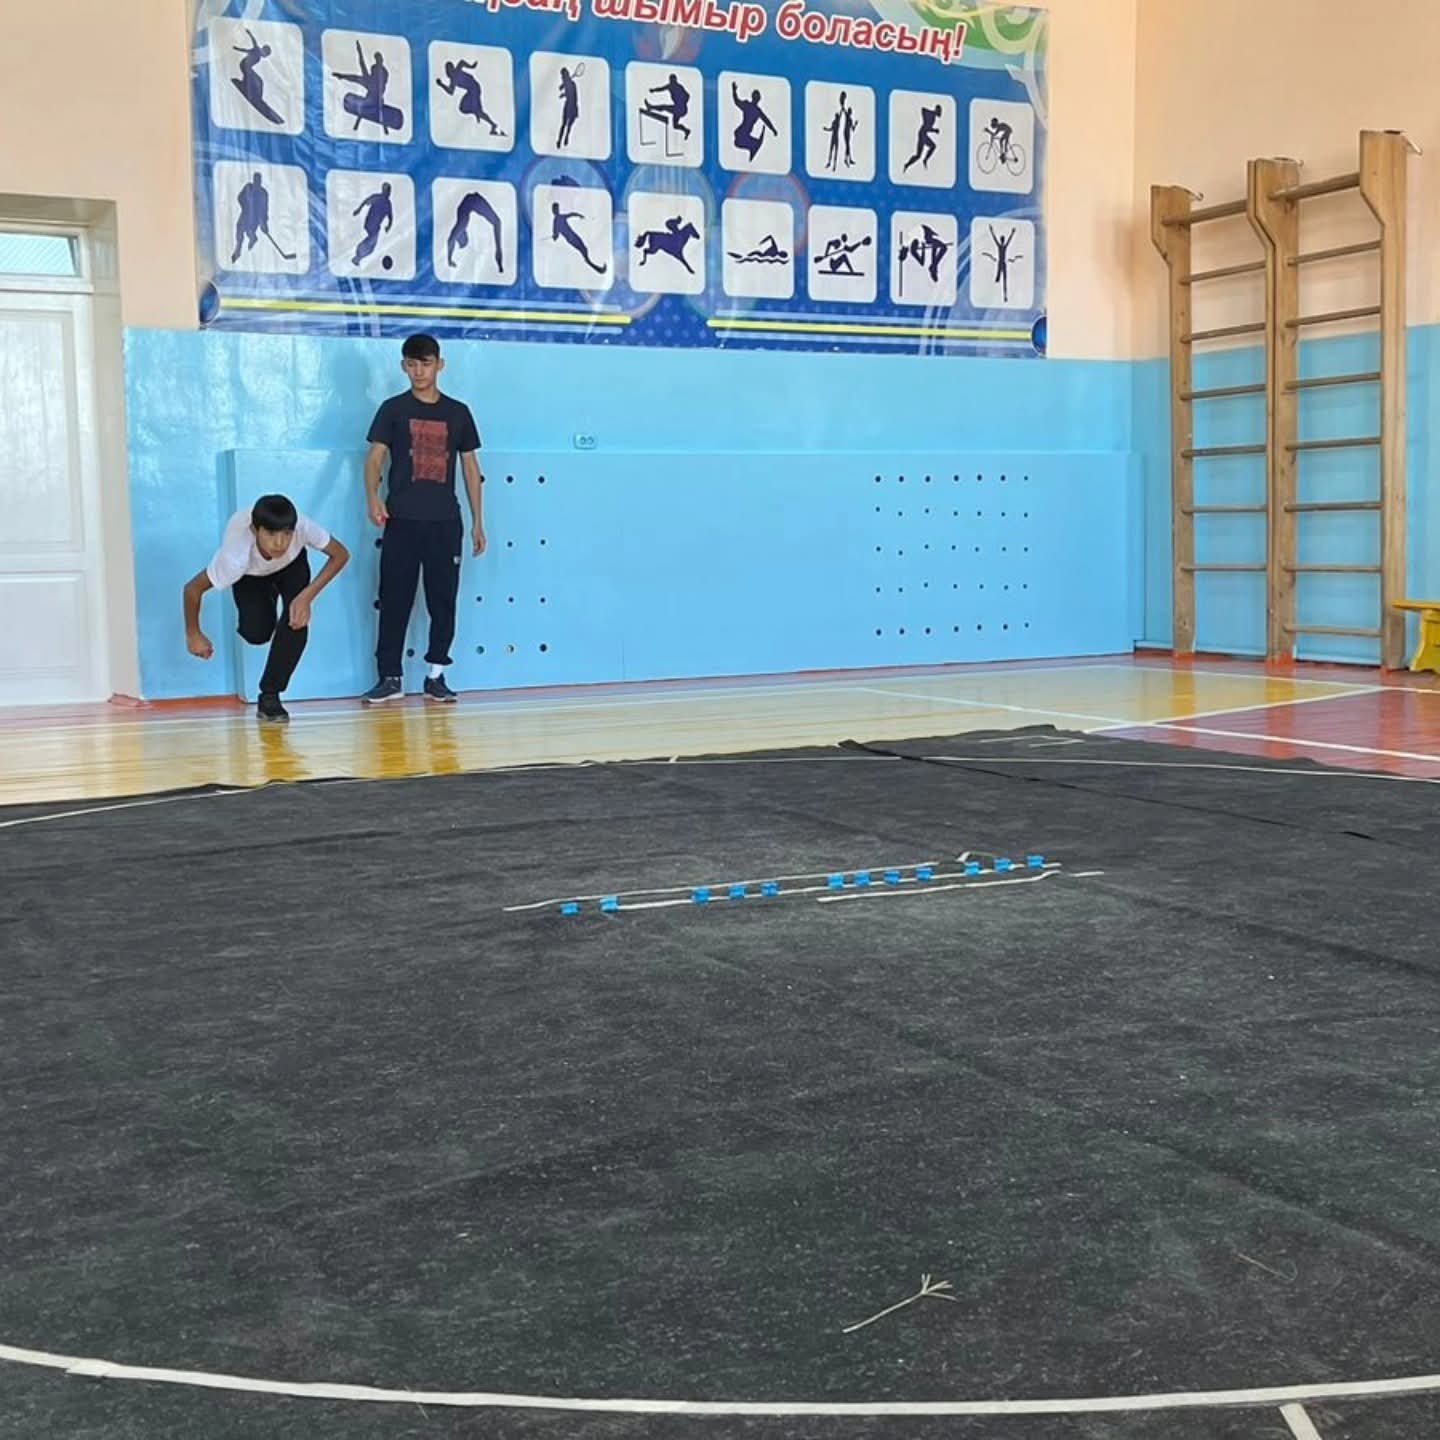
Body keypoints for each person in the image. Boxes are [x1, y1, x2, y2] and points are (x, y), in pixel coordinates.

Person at [362, 334, 486, 704]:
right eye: (412, 364)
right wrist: (372, 497)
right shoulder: (392, 409)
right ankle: (390, 677)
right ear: (404, 366)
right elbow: (375, 459)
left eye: (426, 364)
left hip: (444, 522)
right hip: (401, 520)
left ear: (439, 365)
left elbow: (470, 467)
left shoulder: (458, 413)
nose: (419, 371)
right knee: (394, 598)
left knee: (442, 600)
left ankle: (436, 675)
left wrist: (478, 521)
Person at [183, 494, 350, 722]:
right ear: (255, 530)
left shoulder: (303, 527)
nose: (280, 543)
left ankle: (270, 695)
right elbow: (192, 589)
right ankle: (267, 598)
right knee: (257, 633)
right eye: (271, 534)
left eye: (286, 534)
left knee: (296, 621)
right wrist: (193, 633)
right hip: (251, 575)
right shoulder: (234, 558)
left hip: (292, 567)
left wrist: (306, 597)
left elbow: (341, 554)